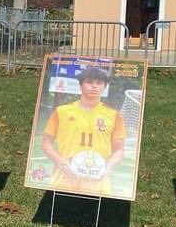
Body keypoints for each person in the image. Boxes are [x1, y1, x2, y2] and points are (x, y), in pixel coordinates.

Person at [41, 65, 125, 194]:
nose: (94, 86)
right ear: (80, 86)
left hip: (97, 182)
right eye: (89, 82)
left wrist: (109, 166)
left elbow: (119, 149)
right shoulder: (62, 111)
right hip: (65, 179)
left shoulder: (114, 115)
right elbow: (46, 143)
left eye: (99, 83)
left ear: (104, 87)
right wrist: (58, 161)